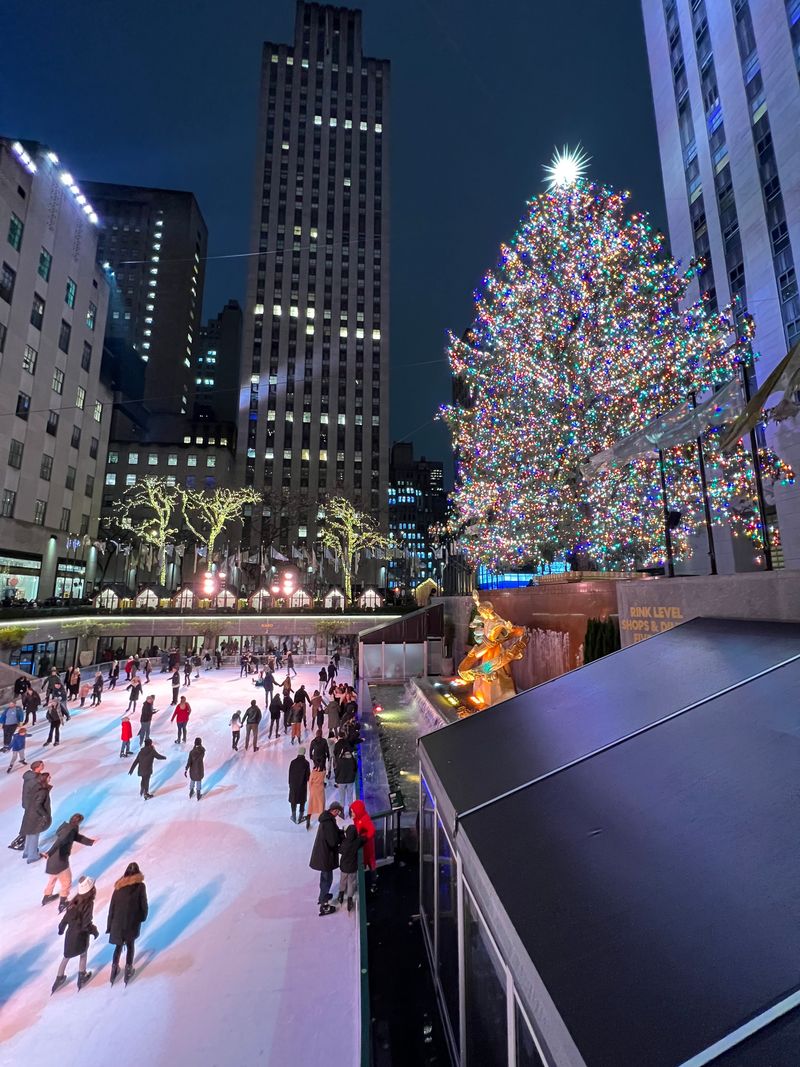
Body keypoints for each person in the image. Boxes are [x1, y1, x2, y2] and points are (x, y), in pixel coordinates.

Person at [51, 876, 99, 993]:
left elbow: (66, 918)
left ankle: (59, 977)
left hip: (70, 935)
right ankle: (82, 975)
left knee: (66, 956)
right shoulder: (88, 903)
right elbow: (86, 923)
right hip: (81, 935)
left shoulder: (74, 901)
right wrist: (93, 930)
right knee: (83, 953)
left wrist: (61, 928)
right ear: (91, 890)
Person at [42, 813, 96, 911]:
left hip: (52, 861)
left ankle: (47, 896)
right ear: (79, 822)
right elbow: (60, 841)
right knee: (67, 882)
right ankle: (63, 903)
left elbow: (77, 837)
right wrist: (49, 852)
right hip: (60, 861)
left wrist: (90, 842)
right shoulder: (70, 831)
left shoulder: (66, 827)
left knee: (53, 878)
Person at [107, 861, 148, 986]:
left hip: (117, 924)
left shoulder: (118, 888)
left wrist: (110, 926)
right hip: (131, 922)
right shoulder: (140, 886)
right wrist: (142, 917)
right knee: (130, 945)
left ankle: (114, 968)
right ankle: (128, 969)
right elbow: (143, 905)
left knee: (118, 946)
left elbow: (112, 908)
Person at [309, 802, 344, 915]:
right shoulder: (328, 822)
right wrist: (341, 838)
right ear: (333, 810)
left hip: (323, 854)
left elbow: (334, 833)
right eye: (337, 811)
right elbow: (332, 841)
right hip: (326, 856)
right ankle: (324, 905)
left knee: (325, 877)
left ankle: (322, 896)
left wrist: (340, 832)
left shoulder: (328, 819)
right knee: (327, 879)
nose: (338, 814)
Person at [8, 759, 46, 852]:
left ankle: (22, 843)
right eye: (42, 765)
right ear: (37, 767)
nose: (43, 766)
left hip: (32, 804)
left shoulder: (34, 777)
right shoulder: (33, 779)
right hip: (32, 805)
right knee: (31, 824)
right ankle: (19, 843)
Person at [21, 768, 52, 863]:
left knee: (30, 833)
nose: (50, 778)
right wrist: (45, 815)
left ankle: (27, 852)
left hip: (30, 813)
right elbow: (38, 805)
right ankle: (32, 856)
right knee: (34, 834)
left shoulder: (37, 788)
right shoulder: (43, 791)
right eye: (49, 777)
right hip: (35, 815)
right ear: (45, 779)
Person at [350, 799, 377, 891]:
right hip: (363, 845)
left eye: (353, 811)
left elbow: (372, 830)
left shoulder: (365, 819)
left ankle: (374, 882)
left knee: (371, 863)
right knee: (365, 862)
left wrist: (365, 838)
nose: (352, 813)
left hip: (367, 846)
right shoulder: (357, 818)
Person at [337, 824, 365, 912]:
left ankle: (341, 894)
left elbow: (340, 850)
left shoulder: (344, 843)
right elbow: (364, 839)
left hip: (344, 867)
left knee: (343, 880)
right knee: (351, 883)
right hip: (352, 867)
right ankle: (349, 899)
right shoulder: (357, 842)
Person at [333, 729, 358, 810]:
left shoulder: (339, 760)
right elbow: (355, 768)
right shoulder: (352, 759)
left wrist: (337, 779)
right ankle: (351, 811)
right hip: (350, 779)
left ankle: (342, 811)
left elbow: (336, 770)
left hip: (341, 780)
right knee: (350, 796)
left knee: (341, 797)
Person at [288, 746, 310, 823]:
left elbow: (290, 774)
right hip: (302, 786)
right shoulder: (306, 763)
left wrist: (290, 784)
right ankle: (300, 818)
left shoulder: (293, 762)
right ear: (304, 753)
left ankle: (293, 817)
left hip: (293, 785)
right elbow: (308, 776)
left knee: (293, 801)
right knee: (302, 802)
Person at [306, 762, 327, 830]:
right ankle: (322, 822)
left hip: (314, 791)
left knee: (311, 806)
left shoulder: (313, 773)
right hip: (320, 791)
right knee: (321, 805)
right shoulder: (323, 772)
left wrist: (310, 790)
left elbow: (310, 781)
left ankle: (308, 820)